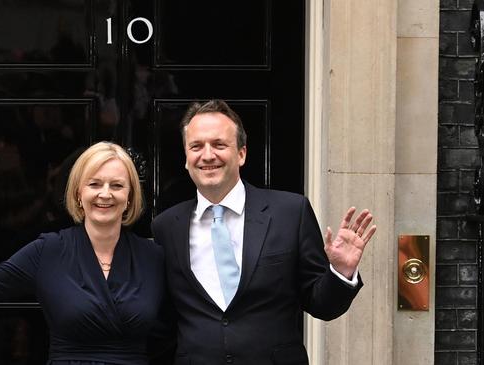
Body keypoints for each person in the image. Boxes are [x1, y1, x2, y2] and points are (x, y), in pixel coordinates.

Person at [151, 100, 377, 365]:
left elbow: (322, 306)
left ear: (242, 153)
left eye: (219, 144)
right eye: (196, 146)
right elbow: (163, 321)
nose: (208, 155)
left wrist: (340, 273)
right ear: (186, 158)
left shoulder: (291, 212)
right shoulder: (166, 227)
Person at [0, 142, 169, 365]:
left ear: (130, 197)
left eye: (117, 185)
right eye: (95, 184)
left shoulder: (153, 257)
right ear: (79, 193)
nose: (105, 193)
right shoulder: (48, 250)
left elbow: (184, 324)